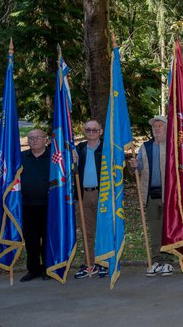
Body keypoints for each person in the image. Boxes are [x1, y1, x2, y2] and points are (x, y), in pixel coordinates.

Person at [130, 115, 175, 277]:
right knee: (155, 229)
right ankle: (156, 260)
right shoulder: (145, 147)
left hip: (169, 195)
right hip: (150, 194)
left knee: (168, 228)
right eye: (154, 126)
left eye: (160, 126)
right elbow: (139, 167)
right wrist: (135, 165)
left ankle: (169, 261)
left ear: (167, 128)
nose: (156, 128)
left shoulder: (172, 146)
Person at [73, 120, 108, 279]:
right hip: (83, 195)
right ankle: (90, 263)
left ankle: (104, 263)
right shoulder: (79, 149)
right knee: (87, 232)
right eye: (88, 129)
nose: (91, 132)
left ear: (100, 131)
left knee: (103, 230)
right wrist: (72, 161)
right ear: (84, 131)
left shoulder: (106, 148)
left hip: (102, 194)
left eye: (95, 129)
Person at [20, 129, 51, 282]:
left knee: (47, 239)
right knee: (31, 240)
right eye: (31, 138)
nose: (34, 140)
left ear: (45, 139)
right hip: (27, 206)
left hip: (49, 206)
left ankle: (47, 268)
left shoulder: (54, 157)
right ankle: (33, 269)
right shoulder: (21, 157)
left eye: (38, 137)